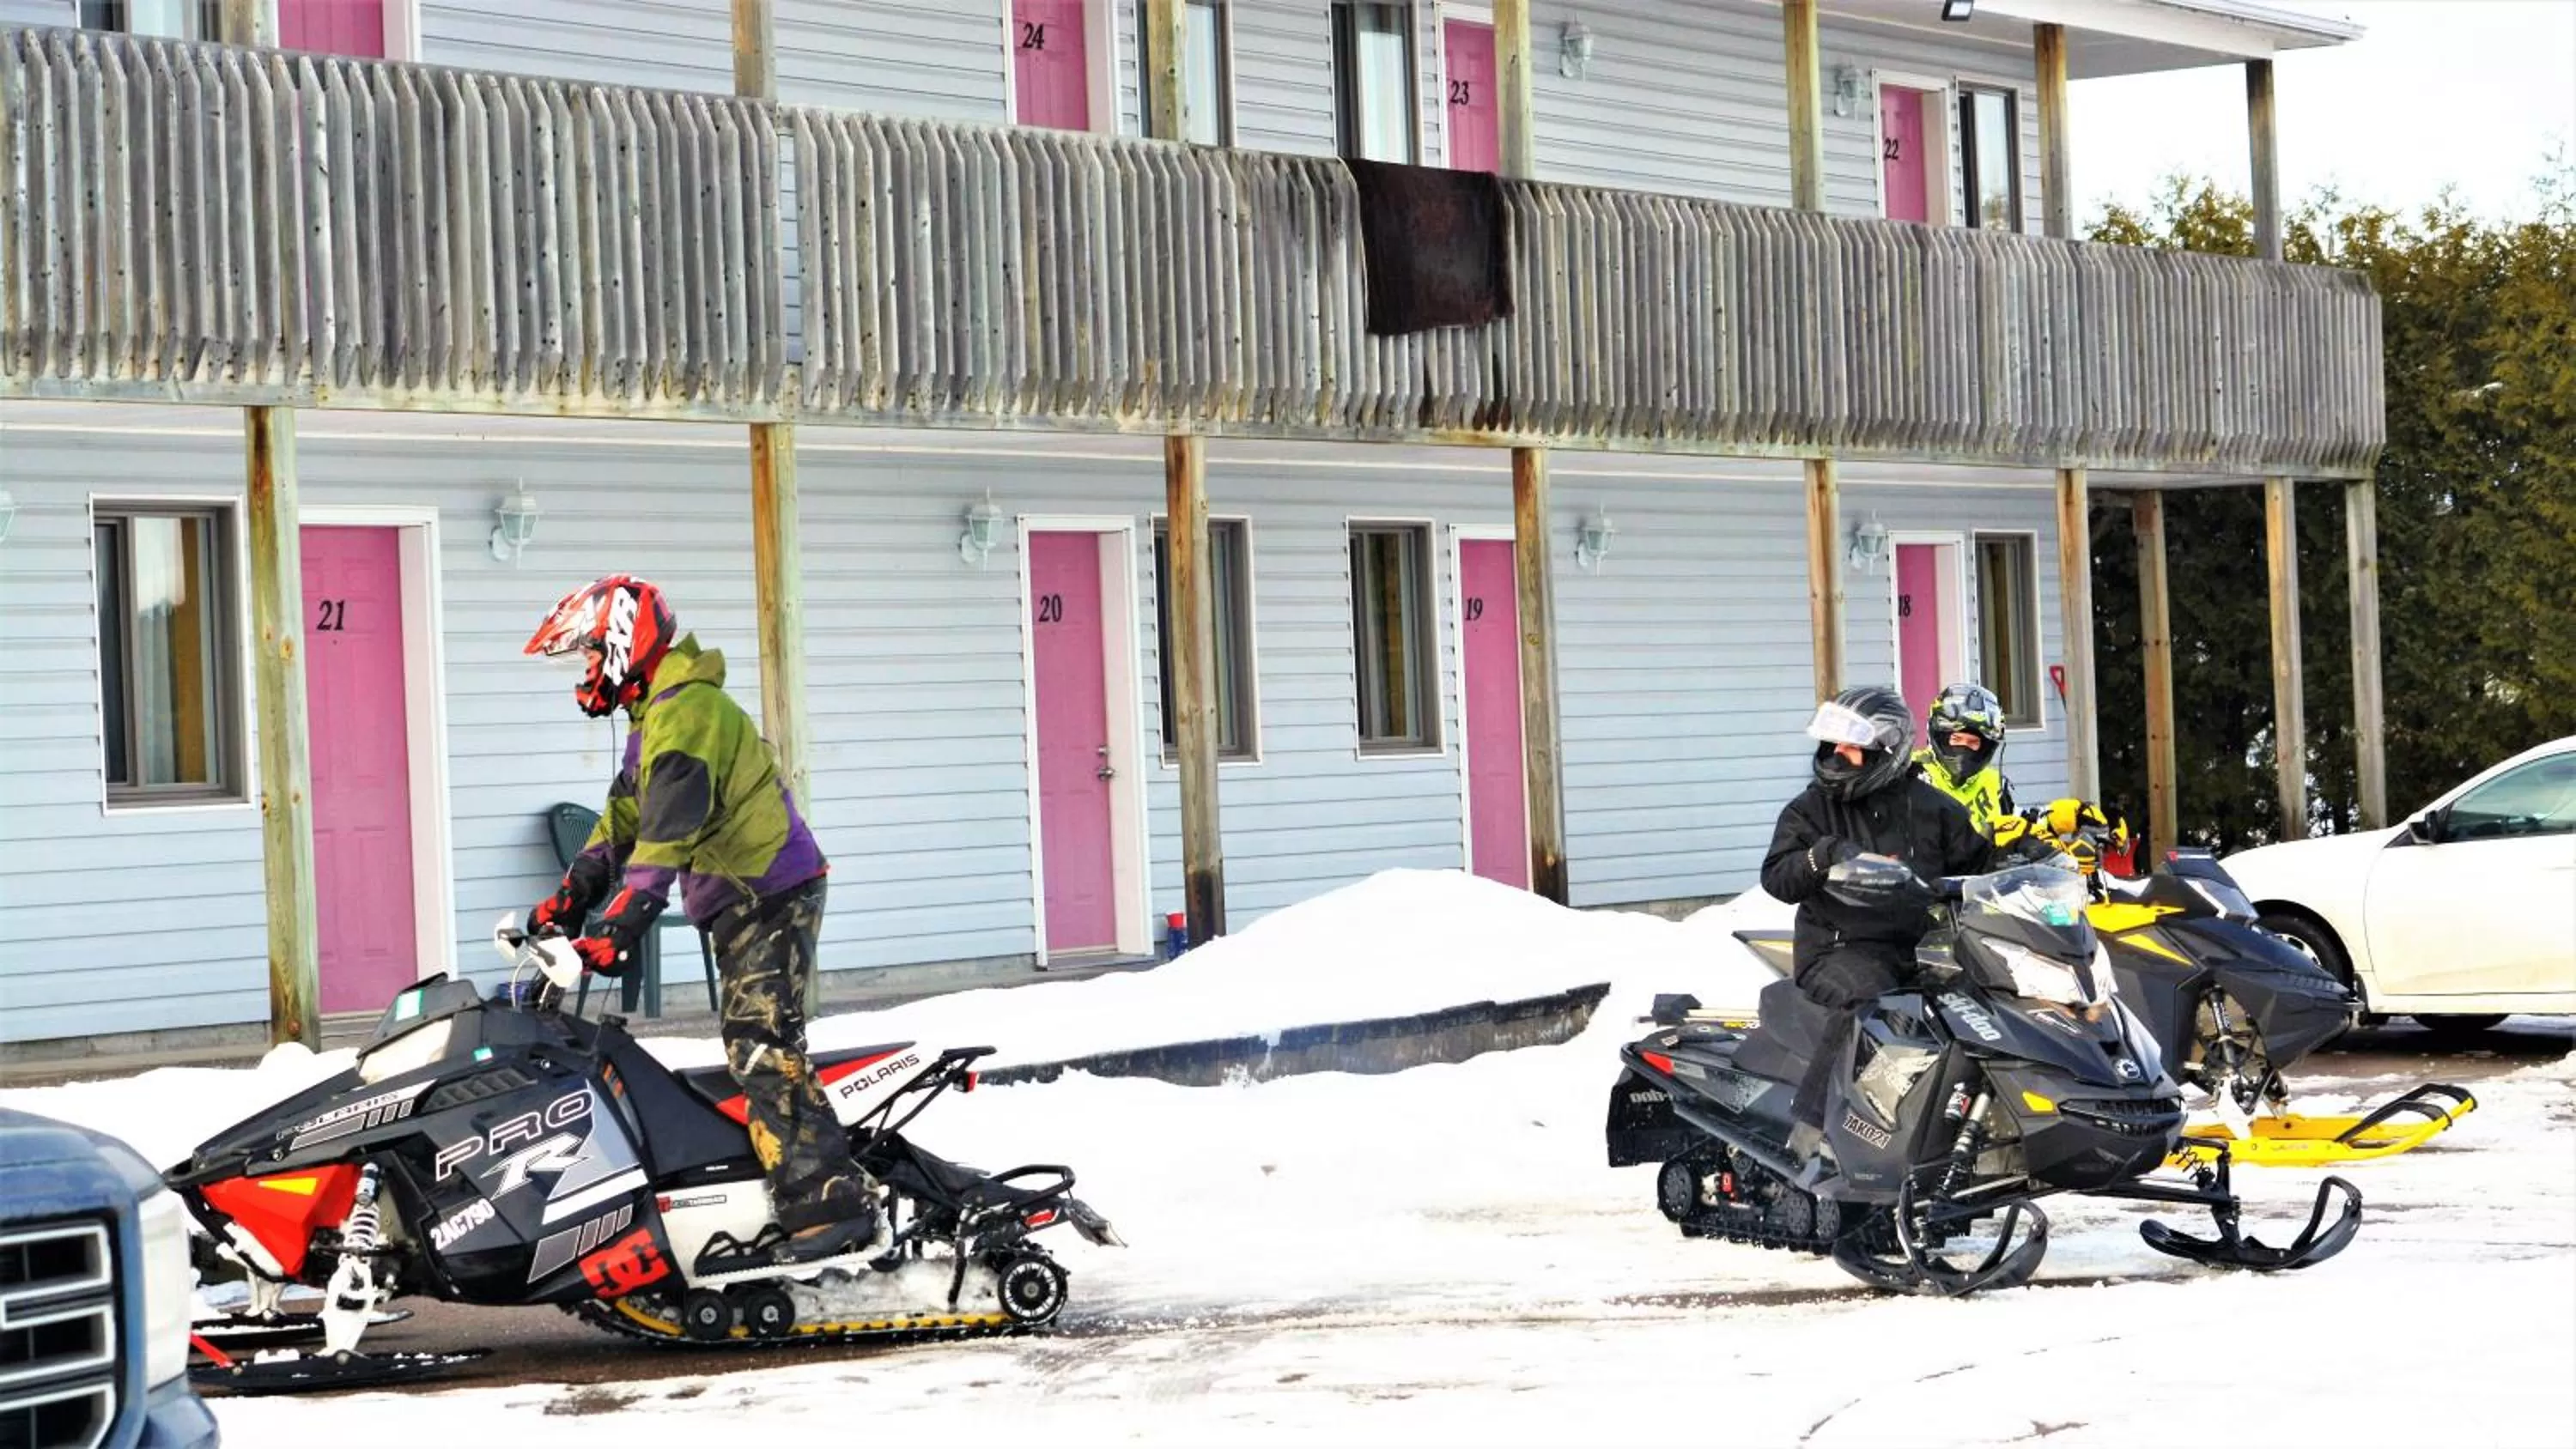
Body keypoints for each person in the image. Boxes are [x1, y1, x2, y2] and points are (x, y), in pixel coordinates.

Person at [523, 574, 882, 1265]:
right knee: (749, 1047)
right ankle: (779, 1187)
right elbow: (626, 814)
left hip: (769, 891)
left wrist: (622, 922)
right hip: (740, 896)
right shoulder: (657, 713)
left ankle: (830, 1210)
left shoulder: (690, 712)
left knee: (762, 1046)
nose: (589, 673)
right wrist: (571, 896)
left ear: (626, 642)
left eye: (592, 655)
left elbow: (667, 832)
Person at [1760, 685, 1996, 1149]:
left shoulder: (1932, 808)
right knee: (1876, 1002)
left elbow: (1978, 863)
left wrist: (2026, 858)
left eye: (1852, 747)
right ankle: (1814, 1129)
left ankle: (1966, 1134)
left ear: (1885, 751)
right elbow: (1777, 879)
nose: (1838, 755)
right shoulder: (1809, 810)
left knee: (1992, 1009)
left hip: (1928, 949)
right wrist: (1819, 857)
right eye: (1834, 746)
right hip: (1839, 949)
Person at [1912, 682, 2015, 837]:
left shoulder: (1995, 783)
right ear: (1941, 737)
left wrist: (2051, 821)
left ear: (1986, 747)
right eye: (1957, 739)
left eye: (1973, 743)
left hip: (1987, 859)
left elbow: (2015, 823)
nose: (1963, 749)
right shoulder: (1911, 772)